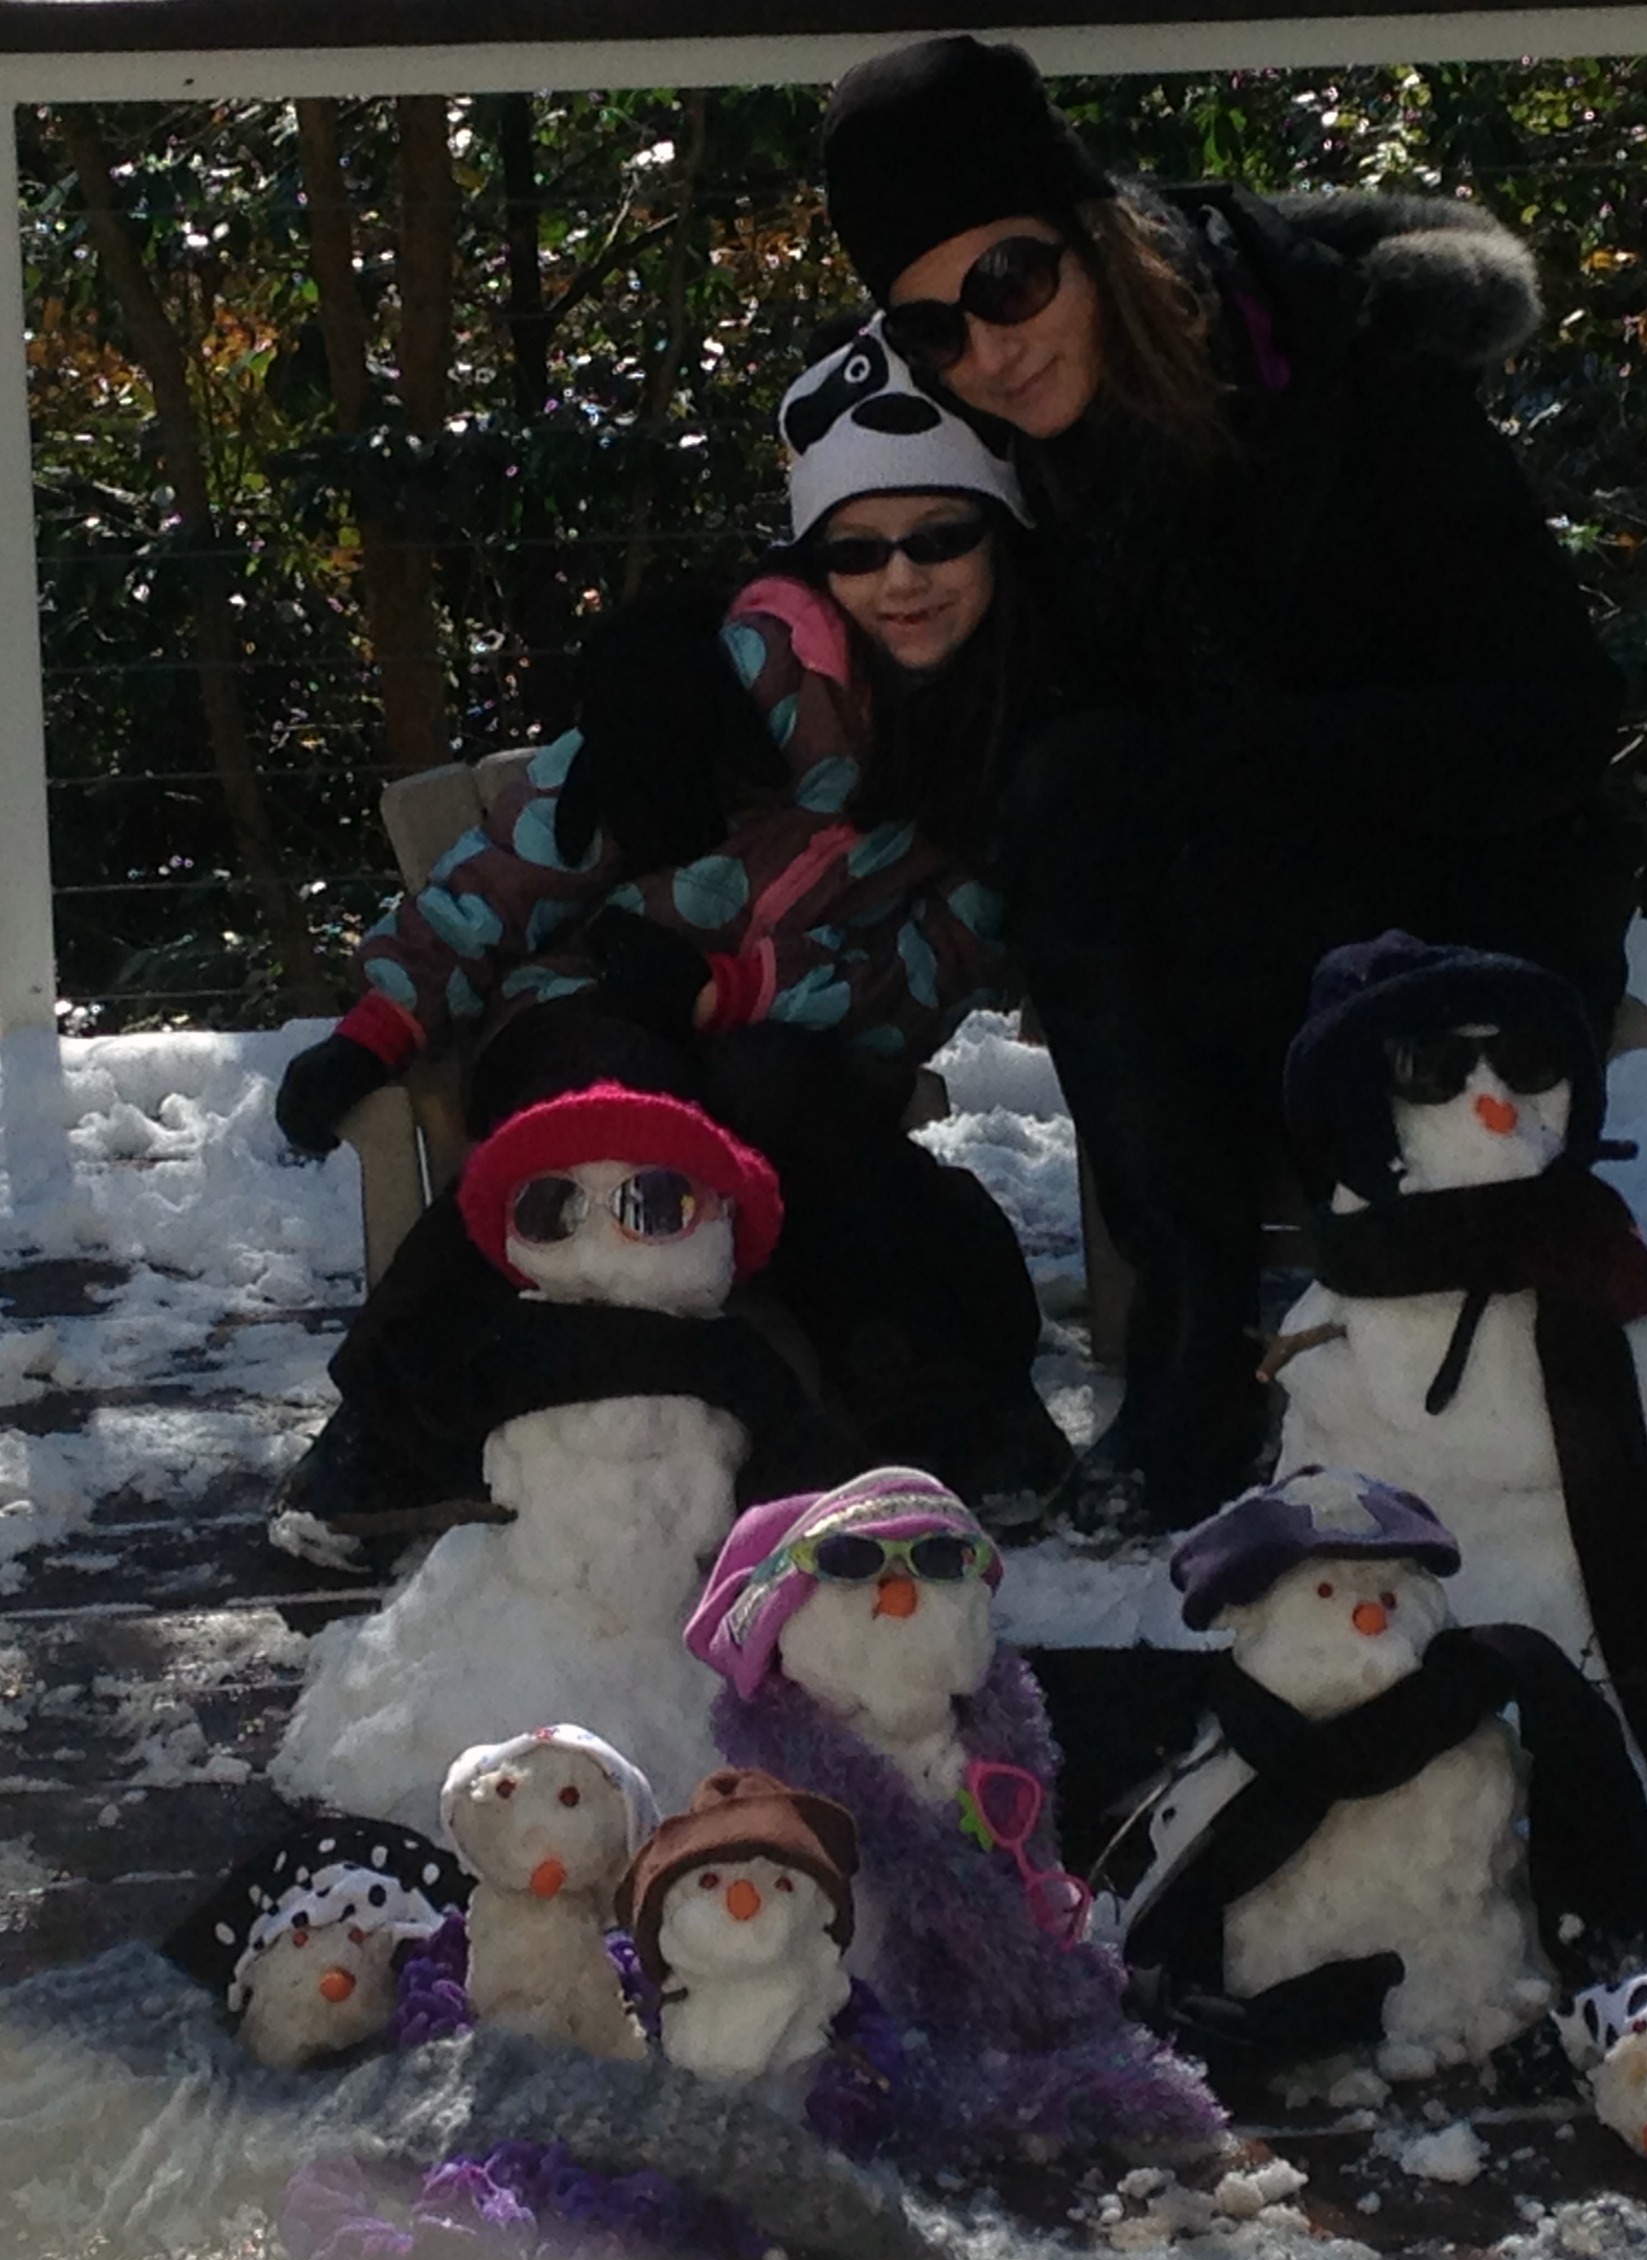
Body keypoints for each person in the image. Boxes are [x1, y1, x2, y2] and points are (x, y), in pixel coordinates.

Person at [819, 38, 1635, 1532]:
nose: (987, 350)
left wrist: (1236, 760)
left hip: (1472, 880)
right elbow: (854, 571)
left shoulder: (1349, 364)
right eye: (932, 326)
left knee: (1118, 811)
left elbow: (1555, 720)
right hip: (1214, 898)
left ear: (1090, 232)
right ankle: (1194, 1343)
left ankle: (1361, 1343)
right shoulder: (1002, 453)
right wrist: (689, 667)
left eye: (1008, 281)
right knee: (1069, 800)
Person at [274, 317, 1069, 1519]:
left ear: (996, 536)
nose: (900, 579)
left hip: (796, 1036)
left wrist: (737, 991)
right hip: (590, 992)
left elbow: (935, 971)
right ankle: (397, 1421)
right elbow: (537, 848)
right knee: (606, 1115)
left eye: (939, 537)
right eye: (858, 551)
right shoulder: (733, 673)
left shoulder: (1002, 748)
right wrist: (384, 1021)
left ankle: (945, 1408)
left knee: (778, 1098)